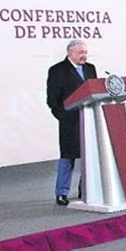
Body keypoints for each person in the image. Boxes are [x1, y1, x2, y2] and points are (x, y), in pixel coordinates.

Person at [46, 39, 96, 206]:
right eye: (81, 52)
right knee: (67, 157)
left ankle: (86, 189)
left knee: (89, 156)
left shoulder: (90, 68)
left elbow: (95, 92)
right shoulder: (57, 70)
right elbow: (52, 99)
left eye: (86, 52)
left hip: (90, 118)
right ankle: (61, 192)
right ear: (70, 52)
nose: (84, 56)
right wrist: (62, 115)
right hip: (70, 121)